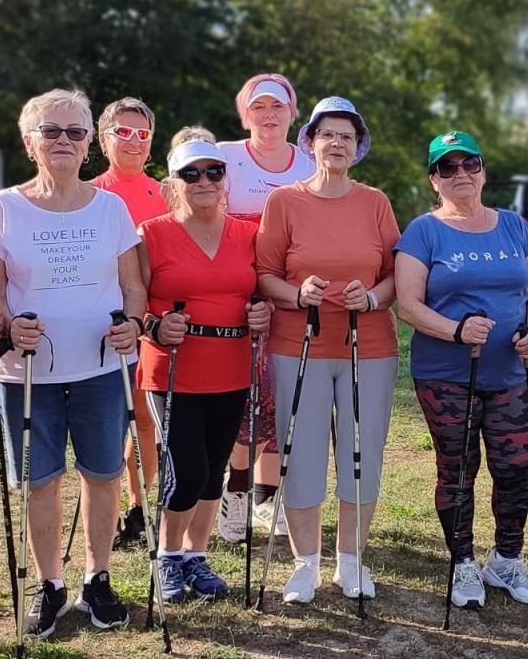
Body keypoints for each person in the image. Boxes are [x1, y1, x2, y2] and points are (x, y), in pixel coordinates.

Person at [0, 88, 145, 637]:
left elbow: (132, 285)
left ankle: (98, 577)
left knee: (104, 475)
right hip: (28, 373)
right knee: (39, 481)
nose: (64, 141)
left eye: (75, 131)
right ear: (30, 142)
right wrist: (7, 323)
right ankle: (50, 584)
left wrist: (134, 325)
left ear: (89, 143)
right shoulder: (3, 207)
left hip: (100, 366)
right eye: (51, 131)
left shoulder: (111, 207)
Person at [255, 96, 400, 603]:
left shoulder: (375, 201)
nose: (336, 143)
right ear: (310, 142)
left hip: (370, 346)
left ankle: (352, 562)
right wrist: (297, 294)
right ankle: (305, 564)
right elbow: (265, 274)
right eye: (327, 134)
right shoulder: (284, 201)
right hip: (300, 344)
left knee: (363, 454)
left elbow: (393, 276)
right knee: (303, 455)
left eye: (346, 135)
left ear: (357, 146)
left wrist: (374, 296)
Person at [396, 130, 528, 609]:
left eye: (469, 164)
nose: (460, 174)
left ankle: (506, 559)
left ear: (482, 170)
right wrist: (455, 331)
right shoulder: (423, 231)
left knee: (515, 467)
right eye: (447, 167)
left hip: (508, 373)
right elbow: (407, 305)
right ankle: (463, 562)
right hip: (446, 375)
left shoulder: (512, 225)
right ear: (433, 180)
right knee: (458, 469)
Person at [138, 140, 272, 602]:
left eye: (213, 172)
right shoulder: (151, 233)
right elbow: (132, 302)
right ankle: (167, 556)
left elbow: (260, 289)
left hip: (232, 367)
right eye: (191, 174)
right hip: (173, 367)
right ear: (173, 182)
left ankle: (196, 556)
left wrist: (263, 311)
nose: (203, 182)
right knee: (186, 470)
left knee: (214, 470)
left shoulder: (246, 234)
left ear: (225, 178)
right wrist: (155, 325)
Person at [216, 74, 312, 542]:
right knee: (242, 394)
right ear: (244, 114)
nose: (269, 114)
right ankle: (233, 490)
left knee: (281, 392)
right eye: (259, 107)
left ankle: (267, 496)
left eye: (278, 105)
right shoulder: (223, 157)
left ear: (294, 113)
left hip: (291, 295)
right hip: (234, 292)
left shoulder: (311, 162)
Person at [88, 96, 168, 547]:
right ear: (103, 139)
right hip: (98, 325)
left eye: (143, 134)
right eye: (124, 132)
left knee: (144, 421)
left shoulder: (165, 193)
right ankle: (109, 508)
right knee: (105, 422)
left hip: (150, 325)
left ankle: (140, 507)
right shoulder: (89, 193)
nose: (134, 142)